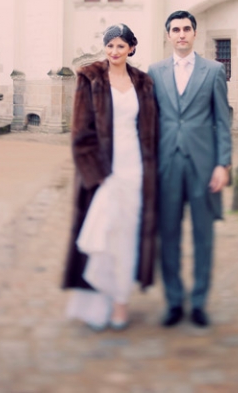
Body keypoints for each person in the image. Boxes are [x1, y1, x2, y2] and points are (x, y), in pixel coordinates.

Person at [63, 24, 159, 331]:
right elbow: (80, 133)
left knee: (129, 235)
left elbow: (151, 130)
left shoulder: (143, 83)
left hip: (136, 169)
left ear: (131, 48)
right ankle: (96, 302)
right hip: (104, 173)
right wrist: (98, 174)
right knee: (103, 235)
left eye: (120, 46)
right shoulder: (89, 77)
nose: (114, 51)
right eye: (110, 46)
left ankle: (120, 302)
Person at [148, 10, 232, 328]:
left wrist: (223, 164)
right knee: (167, 235)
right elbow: (150, 121)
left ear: (194, 33)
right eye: (175, 30)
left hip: (203, 165)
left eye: (186, 29)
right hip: (166, 163)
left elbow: (223, 121)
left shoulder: (213, 71)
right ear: (168, 36)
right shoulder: (154, 72)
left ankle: (198, 302)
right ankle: (173, 301)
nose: (181, 34)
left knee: (203, 236)